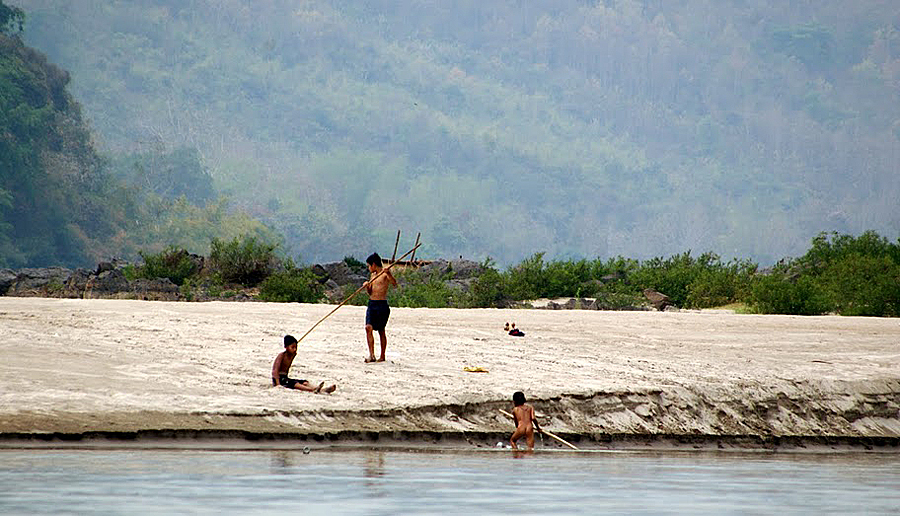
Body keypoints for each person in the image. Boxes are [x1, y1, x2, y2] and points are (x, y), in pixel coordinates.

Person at [363, 252, 398, 363]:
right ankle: (372, 355)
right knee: (368, 327)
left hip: (382, 305)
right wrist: (367, 286)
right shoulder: (373, 276)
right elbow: (370, 292)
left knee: (381, 331)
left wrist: (389, 274)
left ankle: (382, 356)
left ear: (374, 264)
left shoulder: (384, 274)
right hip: (372, 304)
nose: (369, 268)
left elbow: (394, 284)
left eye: (369, 265)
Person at [272, 335, 336, 393]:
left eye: (296, 347)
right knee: (295, 384)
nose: (295, 350)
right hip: (279, 379)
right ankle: (312, 390)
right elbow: (275, 371)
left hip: (285, 378)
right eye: (292, 347)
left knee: (304, 382)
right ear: (286, 347)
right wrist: (278, 384)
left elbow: (293, 353)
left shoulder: (291, 355)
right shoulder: (282, 355)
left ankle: (318, 389)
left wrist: (293, 347)